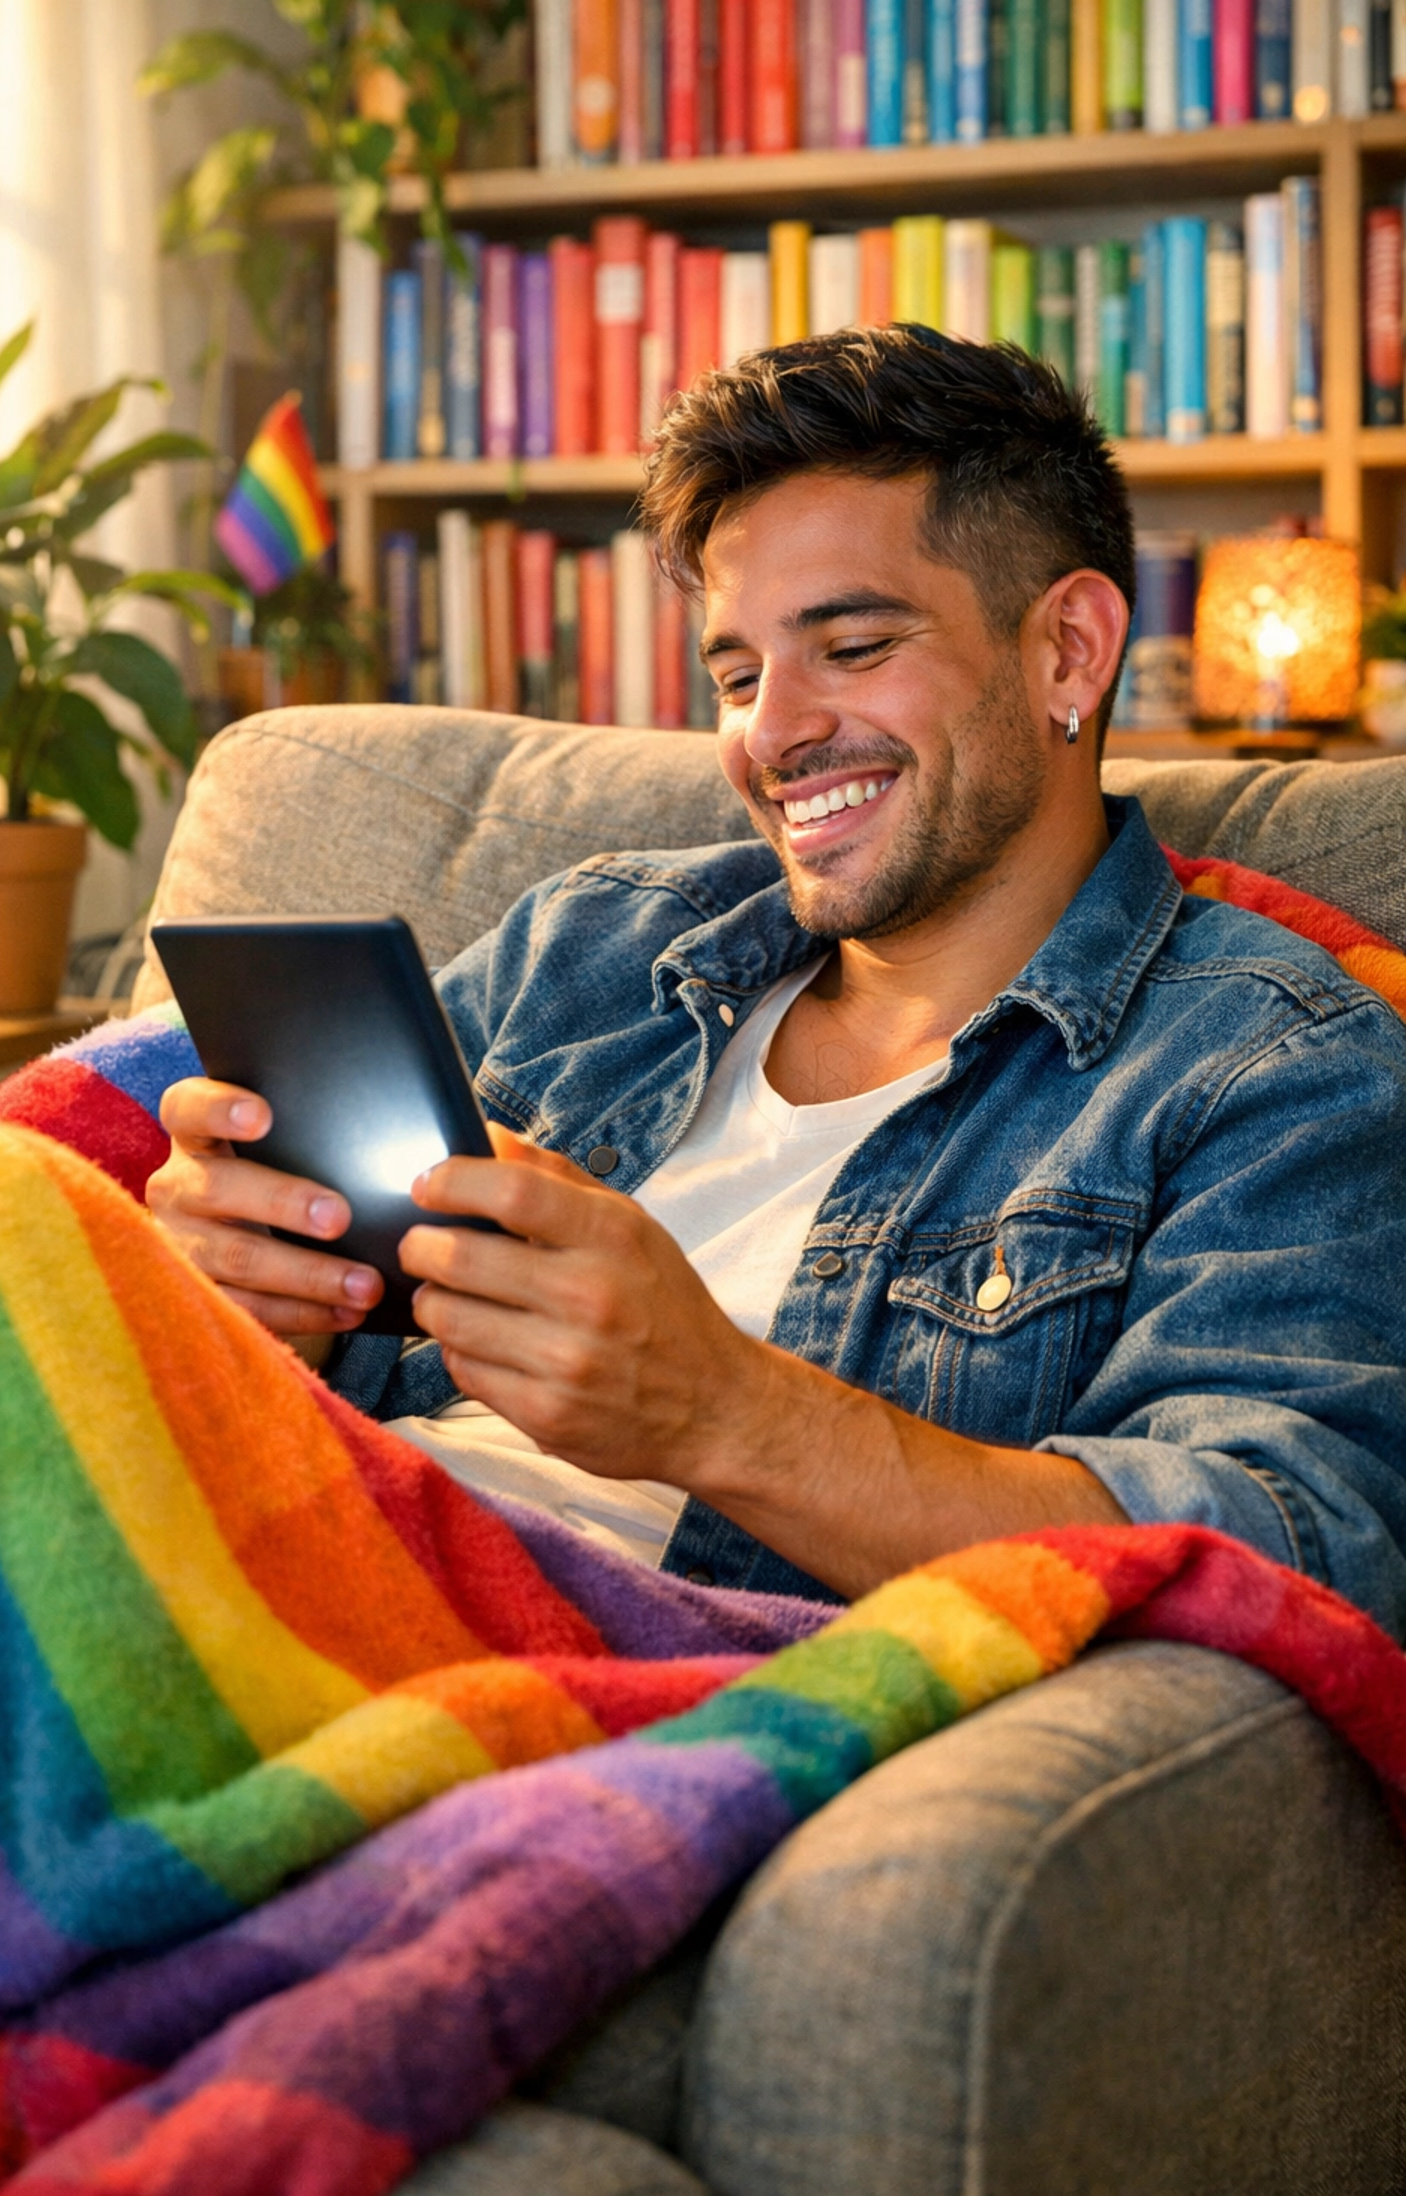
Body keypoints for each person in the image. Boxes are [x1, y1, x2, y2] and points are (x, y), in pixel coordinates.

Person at [148, 326, 1406, 1628]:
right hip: (271, 1557)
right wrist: (236, 1306)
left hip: (604, 1672)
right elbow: (252, 1370)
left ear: (1070, 651)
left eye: (851, 649)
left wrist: (724, 1414)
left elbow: (1290, 1558)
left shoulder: (1273, 1066)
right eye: (738, 673)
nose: (771, 735)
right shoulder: (585, 948)